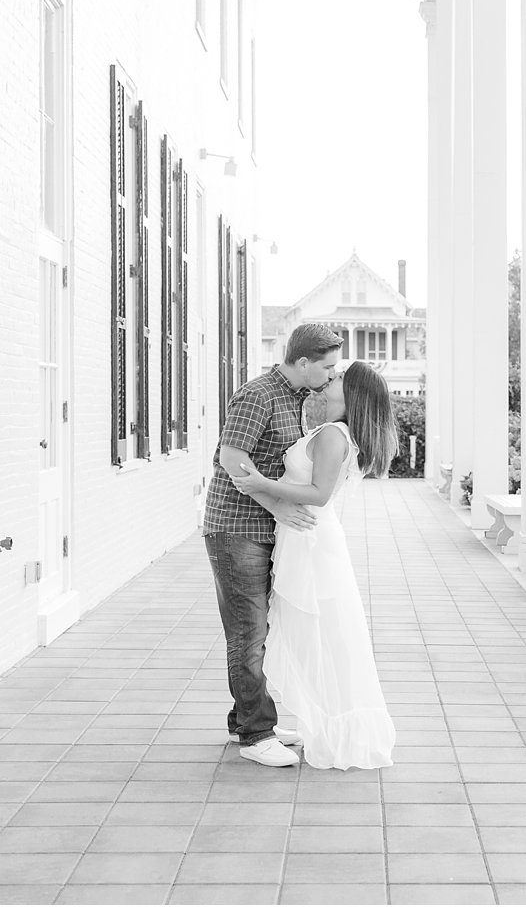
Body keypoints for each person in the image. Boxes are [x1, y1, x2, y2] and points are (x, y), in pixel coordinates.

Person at [231, 361, 399, 770]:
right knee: (315, 634)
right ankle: (273, 721)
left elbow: (319, 494)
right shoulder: (334, 431)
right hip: (306, 537)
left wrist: (259, 484)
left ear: (352, 391)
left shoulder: (332, 435)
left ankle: (313, 724)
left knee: (320, 635)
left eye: (340, 375)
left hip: (311, 540)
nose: (332, 377)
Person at [204, 323, 343, 767]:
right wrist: (276, 506)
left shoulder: (295, 400)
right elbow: (231, 458)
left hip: (261, 529)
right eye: (327, 366)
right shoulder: (259, 394)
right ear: (303, 362)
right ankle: (255, 734)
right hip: (236, 527)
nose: (330, 375)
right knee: (249, 634)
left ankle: (245, 718)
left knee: (256, 630)